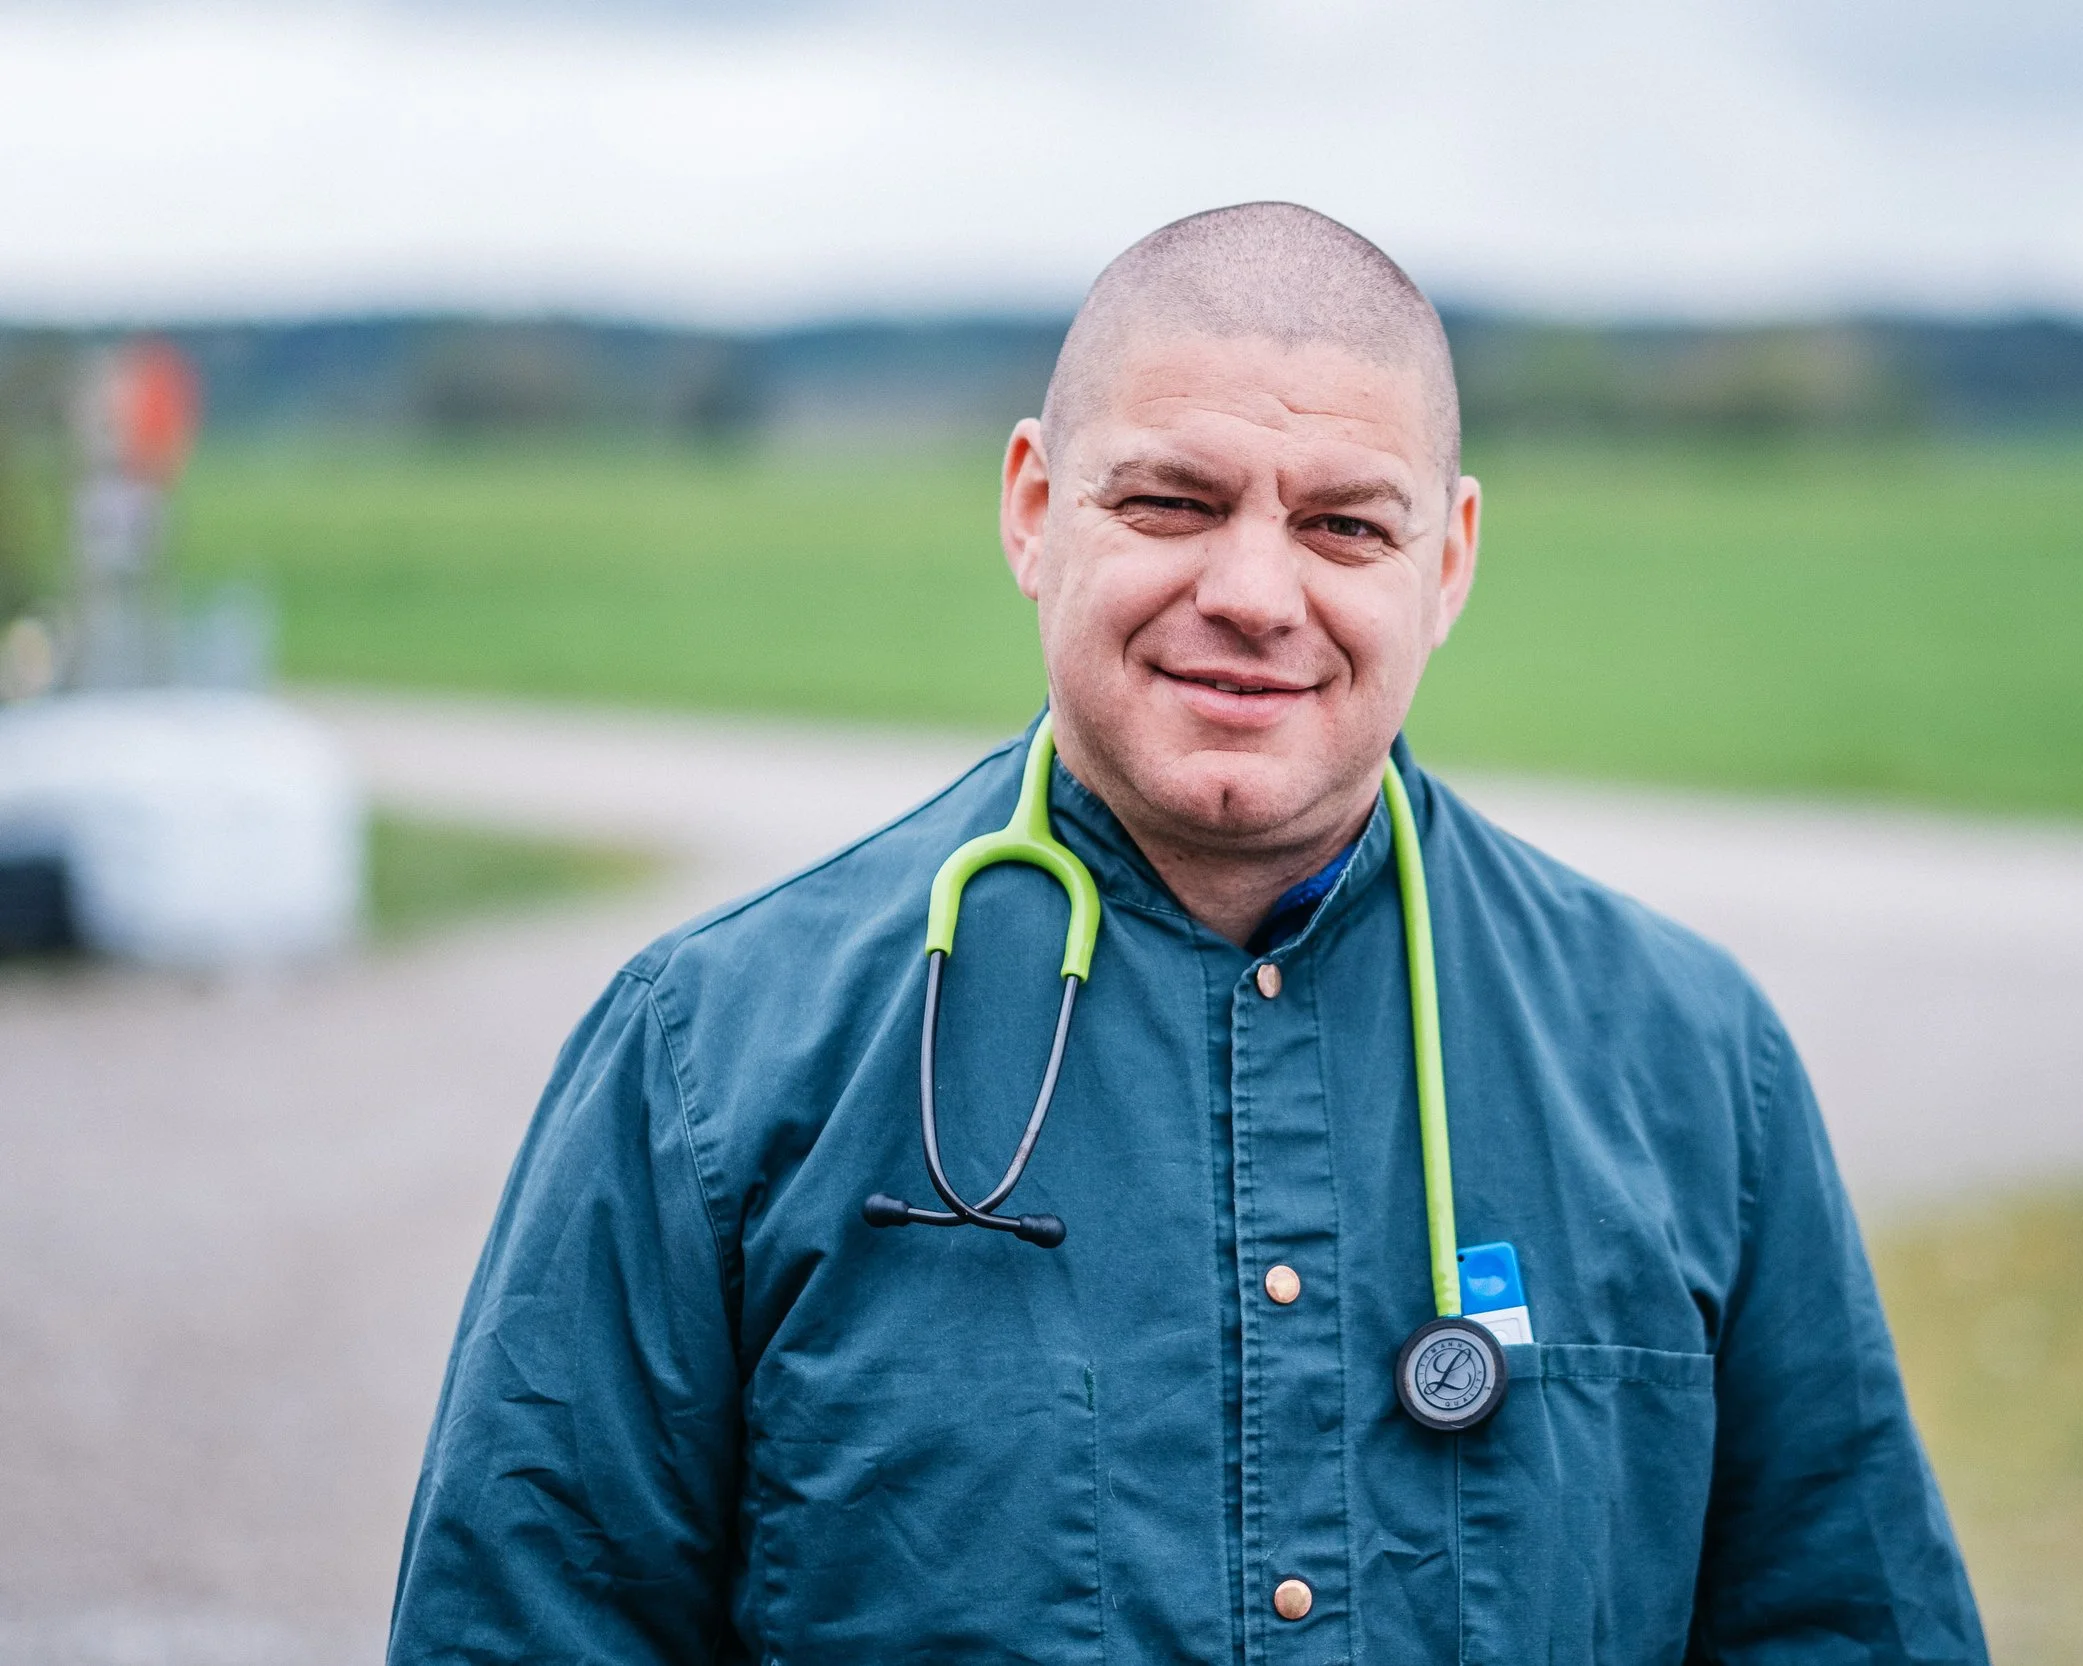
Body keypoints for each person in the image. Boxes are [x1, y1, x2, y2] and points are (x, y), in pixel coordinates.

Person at [389, 202, 1989, 1664]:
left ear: (1451, 559)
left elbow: (1846, 1625)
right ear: (1032, 509)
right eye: (1173, 500)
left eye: (1346, 526)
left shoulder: (1692, 1066)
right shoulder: (709, 1056)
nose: (1251, 589)